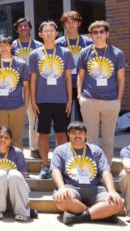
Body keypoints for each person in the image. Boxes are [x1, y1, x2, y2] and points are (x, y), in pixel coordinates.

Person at [50, 122, 124, 225]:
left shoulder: (96, 150)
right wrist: (62, 188)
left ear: (86, 135)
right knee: (60, 200)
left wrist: (112, 191)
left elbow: (106, 171)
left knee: (117, 203)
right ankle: (98, 213)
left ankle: (80, 217)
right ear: (68, 135)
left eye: (80, 132)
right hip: (71, 188)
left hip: (95, 189)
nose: (77, 135)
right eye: (73, 132)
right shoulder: (60, 150)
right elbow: (55, 170)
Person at [30, 21, 74, 179]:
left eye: (51, 30)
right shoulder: (35, 54)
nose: (48, 33)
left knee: (62, 133)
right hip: (42, 100)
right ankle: (44, 164)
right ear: (40, 34)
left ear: (57, 33)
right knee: (43, 133)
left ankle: (59, 164)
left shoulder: (66, 53)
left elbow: (69, 78)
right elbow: (33, 79)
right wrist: (33, 101)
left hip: (61, 99)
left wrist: (70, 100)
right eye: (45, 31)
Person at [77, 20, 125, 162]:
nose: (98, 35)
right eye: (95, 32)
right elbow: (80, 76)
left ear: (107, 34)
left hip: (111, 100)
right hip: (89, 100)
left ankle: (107, 167)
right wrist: (79, 96)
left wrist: (119, 100)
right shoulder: (85, 52)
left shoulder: (117, 53)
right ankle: (92, 167)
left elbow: (121, 79)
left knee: (108, 139)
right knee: (90, 138)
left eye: (101, 32)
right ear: (91, 35)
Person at [0, 35, 29, 149]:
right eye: (0, 46)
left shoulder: (21, 64)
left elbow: (26, 86)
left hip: (17, 107)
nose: (3, 48)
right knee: (0, 139)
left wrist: (26, 104)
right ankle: (1, 165)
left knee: (17, 139)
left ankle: (17, 165)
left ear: (11, 46)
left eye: (6, 45)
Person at [0, 126, 33, 221]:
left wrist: (10, 181)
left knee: (14, 174)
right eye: (0, 136)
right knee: (1, 174)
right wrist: (3, 179)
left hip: (16, 186)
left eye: (6, 137)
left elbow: (22, 176)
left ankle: (21, 211)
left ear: (11, 140)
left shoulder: (18, 152)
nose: (3, 139)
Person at [13, 18, 43, 157]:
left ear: (30, 28)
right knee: (15, 118)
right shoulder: (12, 45)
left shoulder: (38, 45)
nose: (23, 28)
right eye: (20, 26)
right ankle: (13, 146)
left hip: (33, 86)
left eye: (26, 26)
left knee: (33, 117)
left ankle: (34, 148)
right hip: (15, 87)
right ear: (17, 29)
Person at [56, 11, 93, 122]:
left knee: (85, 116)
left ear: (79, 23)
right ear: (64, 25)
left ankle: (84, 139)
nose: (71, 25)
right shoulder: (58, 43)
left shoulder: (88, 42)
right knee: (64, 116)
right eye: (67, 22)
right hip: (64, 84)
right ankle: (67, 140)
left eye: (73, 22)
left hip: (84, 83)